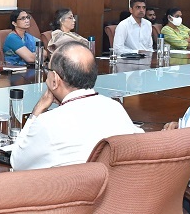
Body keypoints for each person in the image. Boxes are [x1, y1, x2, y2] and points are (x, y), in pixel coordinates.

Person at [11, 42, 141, 171]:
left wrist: (37, 111)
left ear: (55, 79)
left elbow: (17, 162)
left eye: (48, 70)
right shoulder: (115, 108)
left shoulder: (48, 123)